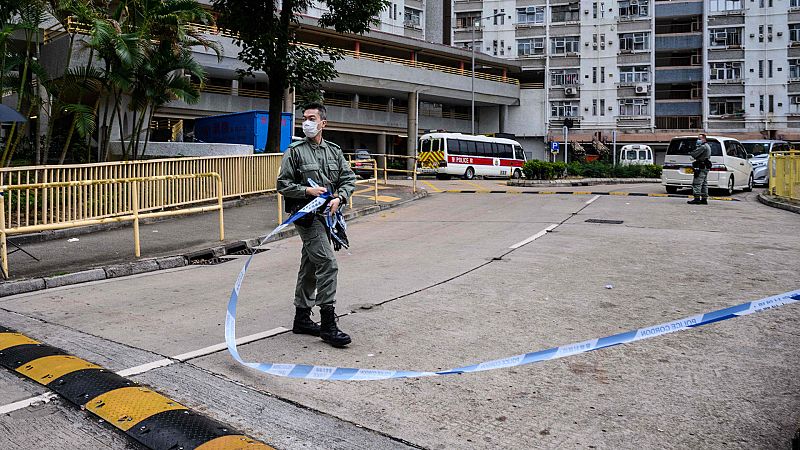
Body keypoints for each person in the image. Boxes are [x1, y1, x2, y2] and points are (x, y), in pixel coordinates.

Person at [277, 102, 356, 347]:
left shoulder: (334, 151)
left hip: (327, 217)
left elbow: (347, 178)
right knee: (328, 264)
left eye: (312, 118)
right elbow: (282, 184)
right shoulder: (296, 151)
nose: (307, 122)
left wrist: (340, 197)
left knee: (310, 264)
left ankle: (301, 318)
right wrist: (307, 190)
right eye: (305, 118)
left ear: (323, 123)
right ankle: (328, 324)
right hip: (306, 216)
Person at [688, 133, 711, 205]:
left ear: (704, 139)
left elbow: (694, 154)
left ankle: (697, 198)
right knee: (704, 183)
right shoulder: (707, 146)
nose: (698, 140)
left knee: (697, 183)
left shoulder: (703, 147)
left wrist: (691, 150)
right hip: (705, 166)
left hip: (701, 166)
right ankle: (704, 199)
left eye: (699, 139)